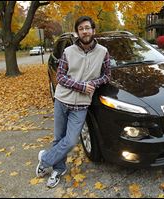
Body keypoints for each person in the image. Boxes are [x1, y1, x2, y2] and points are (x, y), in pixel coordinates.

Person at [36, 16, 111, 188]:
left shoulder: (103, 52)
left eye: (87, 28)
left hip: (81, 105)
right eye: (81, 28)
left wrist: (94, 83)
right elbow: (60, 77)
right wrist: (81, 86)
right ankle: (58, 170)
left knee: (70, 141)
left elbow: (107, 75)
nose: (85, 31)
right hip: (62, 100)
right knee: (58, 138)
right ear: (78, 32)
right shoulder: (68, 51)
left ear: (93, 30)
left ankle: (45, 159)